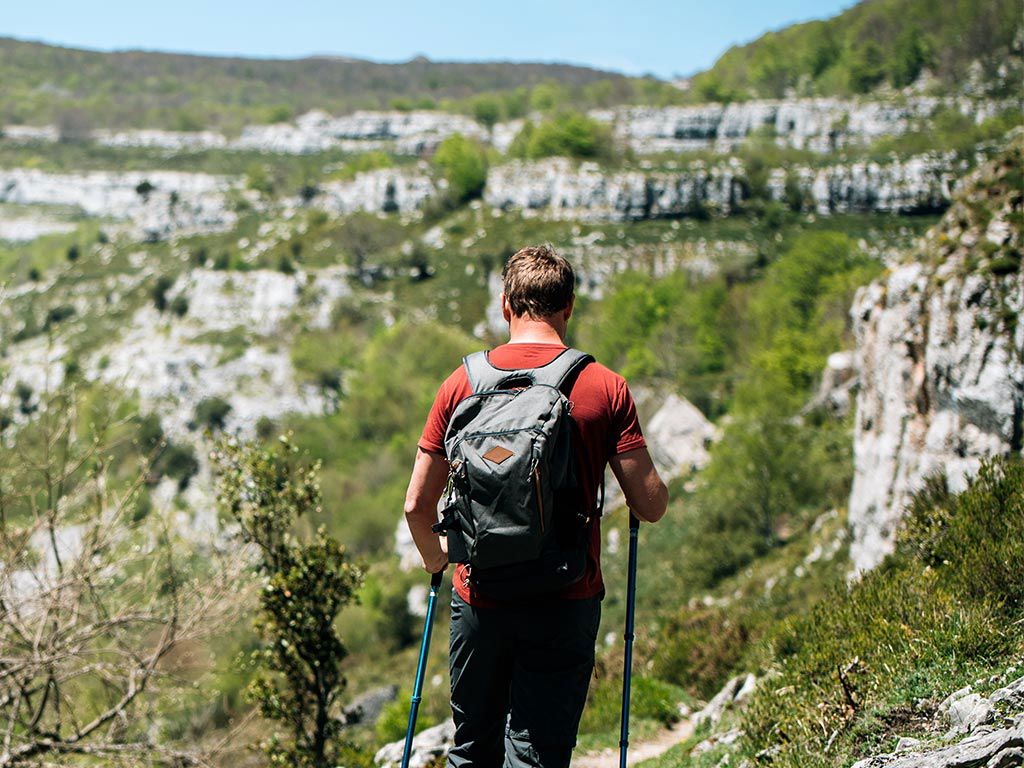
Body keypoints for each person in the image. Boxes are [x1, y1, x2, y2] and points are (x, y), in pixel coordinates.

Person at [403, 244, 668, 768]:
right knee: (537, 755)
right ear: (569, 306)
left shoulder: (462, 384)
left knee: (473, 748)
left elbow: (416, 506)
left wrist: (439, 563)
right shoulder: (604, 388)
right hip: (565, 596)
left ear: (506, 305)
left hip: (479, 599)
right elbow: (650, 504)